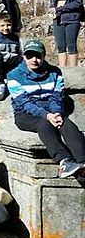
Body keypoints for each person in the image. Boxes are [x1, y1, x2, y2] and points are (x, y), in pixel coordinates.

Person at [7, 40, 85, 178]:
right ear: (24, 56)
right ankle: (64, 160)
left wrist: (56, 112)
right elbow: (24, 103)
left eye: (38, 56)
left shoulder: (55, 72)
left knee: (67, 124)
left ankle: (82, 162)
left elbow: (57, 96)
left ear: (43, 56)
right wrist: (46, 115)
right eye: (29, 56)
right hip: (26, 114)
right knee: (43, 124)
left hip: (51, 111)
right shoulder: (13, 76)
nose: (34, 60)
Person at [49, 0, 82, 67]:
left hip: (71, 19)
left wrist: (60, 8)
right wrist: (52, 9)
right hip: (58, 19)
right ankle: (63, 71)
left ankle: (73, 72)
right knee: (61, 47)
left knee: (71, 46)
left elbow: (78, 3)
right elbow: (53, 0)